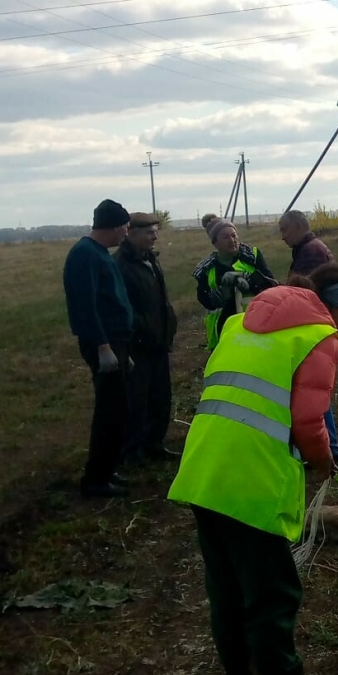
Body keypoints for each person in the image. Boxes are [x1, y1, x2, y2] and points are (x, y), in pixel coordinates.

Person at [168, 261, 338, 675]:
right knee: (272, 599)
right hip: (250, 483)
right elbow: (308, 419)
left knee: (228, 596)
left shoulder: (240, 324)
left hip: (203, 472)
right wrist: (323, 463)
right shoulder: (318, 335)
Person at [63, 199, 134, 498]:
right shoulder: (84, 255)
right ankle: (95, 480)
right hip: (103, 342)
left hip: (116, 340)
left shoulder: (99, 253)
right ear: (115, 226)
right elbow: (85, 306)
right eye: (126, 228)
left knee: (118, 409)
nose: (126, 235)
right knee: (109, 410)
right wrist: (103, 347)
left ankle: (107, 470)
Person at [277, 209, 338, 461]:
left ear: (299, 226)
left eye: (284, 230)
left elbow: (302, 292)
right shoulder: (309, 248)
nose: (282, 236)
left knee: (310, 390)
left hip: (312, 328)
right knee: (312, 388)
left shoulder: (311, 252)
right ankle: (327, 446)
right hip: (315, 325)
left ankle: (329, 448)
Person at [114, 213, 179, 463]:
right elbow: (124, 308)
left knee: (160, 397)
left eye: (155, 231)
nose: (155, 236)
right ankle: (132, 451)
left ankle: (154, 444)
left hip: (158, 342)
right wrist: (141, 331)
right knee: (136, 401)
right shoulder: (120, 265)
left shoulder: (150, 259)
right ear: (131, 234)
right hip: (138, 345)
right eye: (149, 232)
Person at [194, 218, 277, 350]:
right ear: (215, 242)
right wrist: (223, 290)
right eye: (225, 237)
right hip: (223, 331)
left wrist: (245, 278)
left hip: (255, 325)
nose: (232, 240)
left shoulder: (252, 256)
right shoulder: (206, 268)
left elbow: (271, 286)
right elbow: (205, 300)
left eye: (234, 235)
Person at [278, 209, 333, 276]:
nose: (283, 237)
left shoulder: (311, 252)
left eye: (284, 230)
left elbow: (304, 285)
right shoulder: (311, 247)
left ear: (298, 227)